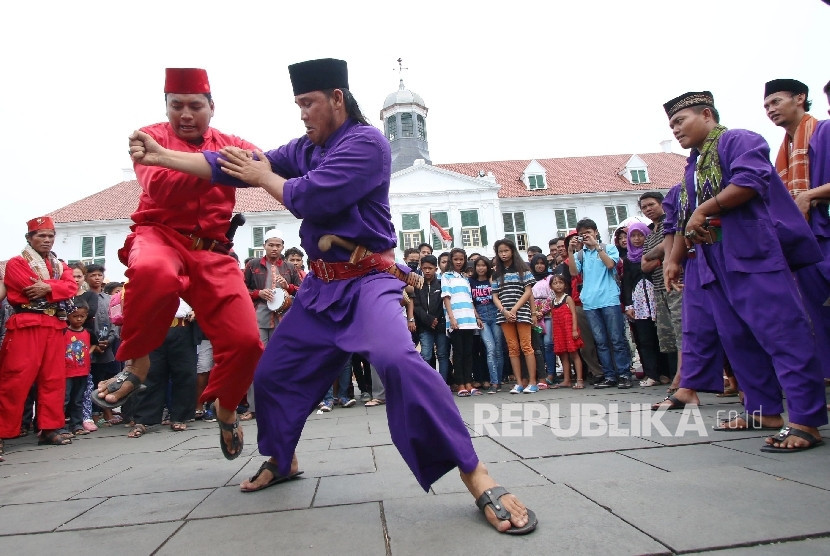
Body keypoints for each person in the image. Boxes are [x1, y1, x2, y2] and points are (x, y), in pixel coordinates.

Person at [127, 58, 536, 533]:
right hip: (320, 289)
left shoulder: (367, 144)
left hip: (367, 283)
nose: (301, 114)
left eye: (308, 103)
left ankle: (476, 473)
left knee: (398, 360)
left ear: (336, 99)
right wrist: (160, 156)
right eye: (298, 105)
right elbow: (234, 166)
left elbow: (310, 197)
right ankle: (283, 460)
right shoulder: (306, 147)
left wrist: (263, 178)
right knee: (276, 373)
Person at [100, 68, 264, 460]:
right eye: (177, 106)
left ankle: (226, 411)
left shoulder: (231, 141)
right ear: (167, 106)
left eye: (195, 106)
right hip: (160, 235)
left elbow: (259, 166)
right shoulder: (150, 136)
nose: (185, 114)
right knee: (153, 271)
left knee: (247, 342)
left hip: (213, 250)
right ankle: (136, 365)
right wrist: (221, 167)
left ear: (211, 107)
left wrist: (187, 161)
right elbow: (159, 185)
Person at [659, 90, 826, 452]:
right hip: (712, 257)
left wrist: (705, 209)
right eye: (670, 124)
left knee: (783, 332)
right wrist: (675, 257)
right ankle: (763, 410)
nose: (674, 129)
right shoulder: (694, 164)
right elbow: (685, 217)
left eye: (679, 121)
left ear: (706, 114)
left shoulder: (739, 140)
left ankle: (806, 420)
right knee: (737, 338)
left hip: (752, 250)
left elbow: (751, 181)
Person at [763, 78, 830, 380]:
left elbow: (807, 194)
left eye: (776, 101)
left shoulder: (822, 131)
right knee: (818, 313)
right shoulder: (783, 149)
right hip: (804, 239)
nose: (770, 109)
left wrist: (809, 195)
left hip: (824, 229)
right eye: (766, 106)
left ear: (800, 98)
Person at [0, 216, 78, 452]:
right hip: (26, 325)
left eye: (50, 236)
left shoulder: (60, 265)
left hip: (54, 326)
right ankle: (2, 431)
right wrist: (56, 287)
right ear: (29, 238)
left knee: (53, 379)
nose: (47, 240)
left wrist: (49, 287)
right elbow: (29, 288)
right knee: (15, 380)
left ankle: (49, 429)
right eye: (41, 236)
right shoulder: (16, 263)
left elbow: (72, 287)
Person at [243, 227, 301, 420]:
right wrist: (258, 293)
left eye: (278, 245)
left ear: (283, 247)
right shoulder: (252, 265)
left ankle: (283, 404)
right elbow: (242, 289)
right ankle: (255, 407)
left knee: (281, 362)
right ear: (264, 246)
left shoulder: (290, 268)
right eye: (271, 245)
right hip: (258, 318)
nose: (274, 248)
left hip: (283, 319)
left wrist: (288, 286)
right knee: (256, 361)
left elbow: (301, 292)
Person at [568, 219, 632, 389]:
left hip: (609, 299)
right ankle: (609, 375)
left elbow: (611, 264)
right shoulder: (580, 254)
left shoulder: (608, 248)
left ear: (595, 232)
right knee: (601, 342)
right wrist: (570, 250)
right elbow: (574, 272)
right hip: (590, 302)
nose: (586, 235)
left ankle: (624, 373)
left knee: (617, 339)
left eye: (588, 232)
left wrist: (596, 246)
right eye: (582, 233)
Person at [638, 191, 680, 387]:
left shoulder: (669, 222)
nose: (648, 209)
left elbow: (667, 245)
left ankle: (683, 379)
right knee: (668, 336)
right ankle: (675, 377)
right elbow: (643, 266)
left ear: (662, 204)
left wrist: (656, 254)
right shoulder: (649, 234)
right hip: (658, 288)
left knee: (681, 332)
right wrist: (659, 256)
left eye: (651, 205)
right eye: (644, 207)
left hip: (676, 285)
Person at [622, 223, 670, 387]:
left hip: (656, 295)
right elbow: (626, 282)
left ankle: (667, 372)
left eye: (640, 235)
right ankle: (652, 374)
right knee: (645, 339)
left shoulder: (655, 253)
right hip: (639, 302)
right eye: (633, 236)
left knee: (663, 336)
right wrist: (629, 305)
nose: (637, 239)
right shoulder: (628, 259)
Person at [492, 238, 539, 394]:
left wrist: (515, 310)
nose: (503, 254)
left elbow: (528, 292)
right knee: (513, 348)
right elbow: (495, 296)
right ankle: (518, 383)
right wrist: (505, 311)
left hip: (522, 313)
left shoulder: (523, 269)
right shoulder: (496, 272)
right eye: (500, 251)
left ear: (512, 251)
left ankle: (532, 382)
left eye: (506, 250)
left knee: (527, 346)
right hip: (504, 315)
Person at [442, 248, 481, 397]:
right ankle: (461, 384)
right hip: (456, 320)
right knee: (458, 353)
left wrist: (477, 317)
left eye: (461, 259)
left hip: (469, 320)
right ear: (451, 260)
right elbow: (446, 298)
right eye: (456, 259)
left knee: (468, 353)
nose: (459, 262)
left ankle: (469, 383)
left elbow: (470, 299)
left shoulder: (465, 278)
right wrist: (451, 318)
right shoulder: (447, 276)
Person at [413, 255, 450, 383]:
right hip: (424, 326)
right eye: (424, 268)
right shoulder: (418, 284)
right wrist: (428, 319)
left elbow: (444, 303)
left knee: (443, 355)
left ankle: (443, 383)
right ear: (421, 268)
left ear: (436, 268)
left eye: (430, 268)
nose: (427, 271)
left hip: (440, 325)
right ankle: (428, 384)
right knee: (426, 355)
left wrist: (437, 320)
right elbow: (416, 306)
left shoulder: (441, 283)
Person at [470, 256, 504, 394]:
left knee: (498, 349)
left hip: (495, 315)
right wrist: (476, 317)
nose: (481, 268)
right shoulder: (470, 281)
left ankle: (499, 380)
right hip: (482, 317)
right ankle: (494, 383)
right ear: (475, 267)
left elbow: (498, 295)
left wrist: (492, 279)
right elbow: (470, 300)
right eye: (478, 265)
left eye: (484, 265)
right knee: (490, 348)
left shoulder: (493, 279)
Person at [64, 302, 98, 437]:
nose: (78, 319)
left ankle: (77, 424)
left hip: (83, 371)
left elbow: (95, 344)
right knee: (64, 399)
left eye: (82, 316)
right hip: (66, 372)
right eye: (75, 316)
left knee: (78, 399)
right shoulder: (63, 331)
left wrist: (88, 353)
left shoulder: (88, 332)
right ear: (68, 316)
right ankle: (60, 425)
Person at [549, 274, 584, 389]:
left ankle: (579, 379)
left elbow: (574, 314)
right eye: (555, 283)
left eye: (560, 282)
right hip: (559, 331)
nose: (558, 285)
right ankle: (567, 380)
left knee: (574, 354)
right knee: (563, 355)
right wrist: (554, 333)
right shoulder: (553, 302)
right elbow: (553, 318)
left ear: (565, 285)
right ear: (551, 287)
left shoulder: (567, 298)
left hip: (569, 329)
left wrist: (574, 329)